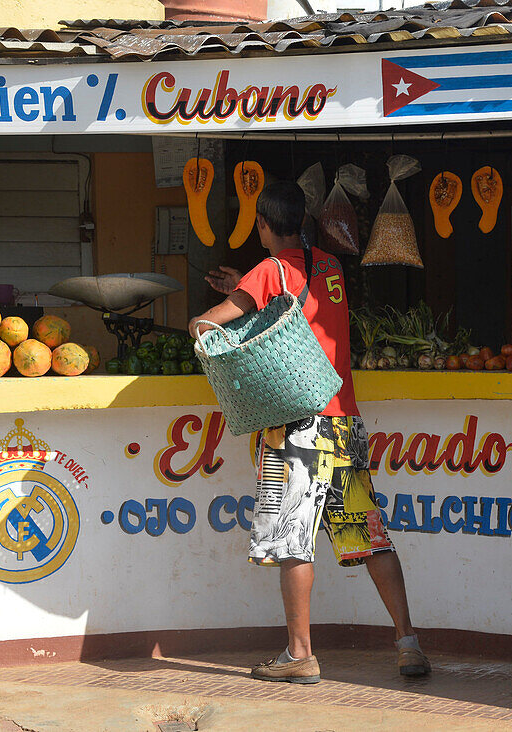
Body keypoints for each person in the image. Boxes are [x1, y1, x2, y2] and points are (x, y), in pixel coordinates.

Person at [188, 181, 430, 684]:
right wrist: (248, 286)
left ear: (261, 224)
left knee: (294, 541)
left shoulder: (267, 271)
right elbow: (297, 302)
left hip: (296, 428)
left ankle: (300, 656)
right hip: (344, 422)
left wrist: (200, 323)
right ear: (303, 221)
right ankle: (408, 643)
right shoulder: (330, 264)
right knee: (368, 536)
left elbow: (212, 324)